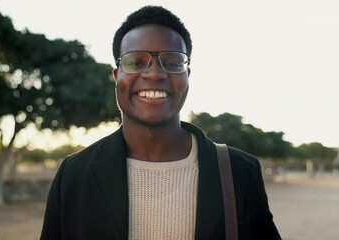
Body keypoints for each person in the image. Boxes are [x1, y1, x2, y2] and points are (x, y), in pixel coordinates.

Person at [40, 5, 281, 240]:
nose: (154, 74)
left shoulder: (240, 171)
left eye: (173, 61)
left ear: (187, 76)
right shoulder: (73, 174)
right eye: (135, 61)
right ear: (117, 76)